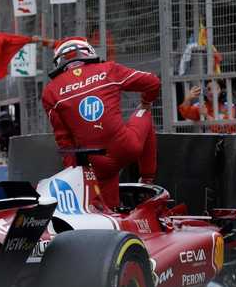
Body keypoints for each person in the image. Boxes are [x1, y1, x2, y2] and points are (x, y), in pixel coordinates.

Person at [42, 37, 160, 208]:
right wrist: (146, 101)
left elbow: (64, 142)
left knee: (108, 214)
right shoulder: (108, 69)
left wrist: (77, 176)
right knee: (145, 114)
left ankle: (111, 214)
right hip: (126, 146)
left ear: (59, 61)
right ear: (88, 51)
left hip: (96, 163)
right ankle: (147, 182)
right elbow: (153, 83)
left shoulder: (50, 92)